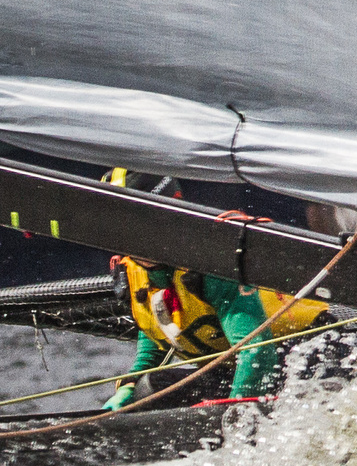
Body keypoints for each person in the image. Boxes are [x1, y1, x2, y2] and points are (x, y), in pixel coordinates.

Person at [101, 174, 328, 410]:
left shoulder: (211, 263)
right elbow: (155, 336)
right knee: (150, 388)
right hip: (240, 368)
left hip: (307, 358)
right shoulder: (134, 272)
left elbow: (257, 352)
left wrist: (236, 418)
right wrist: (129, 386)